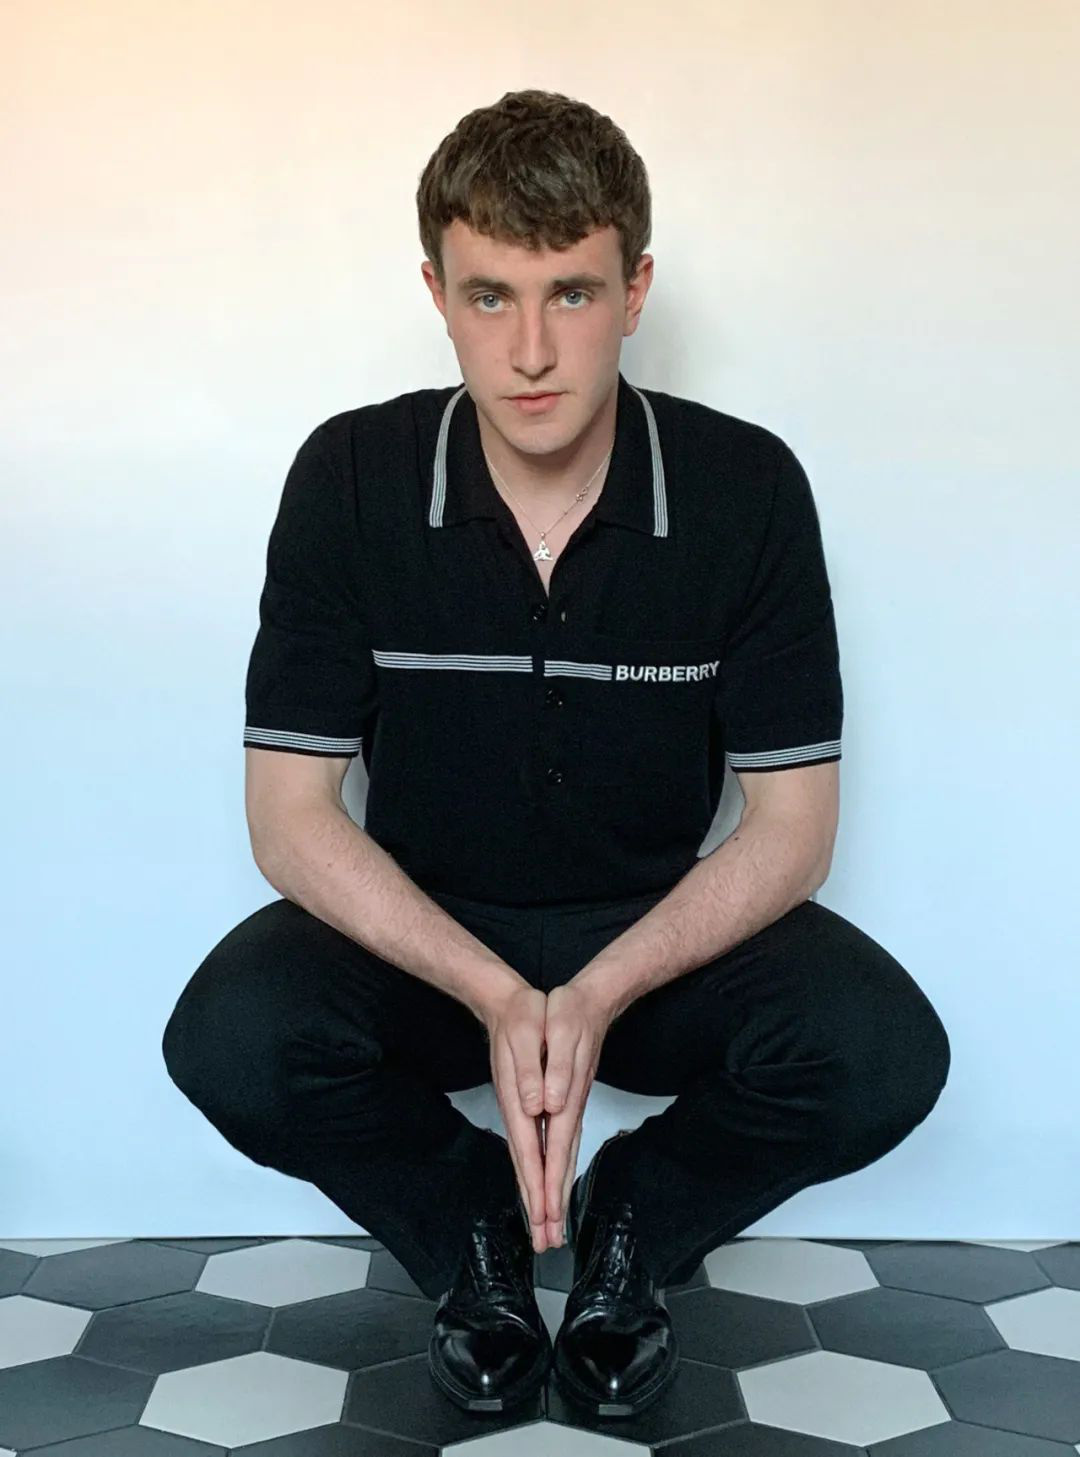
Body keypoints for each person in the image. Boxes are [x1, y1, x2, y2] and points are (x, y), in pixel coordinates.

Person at [161, 88, 951, 1420]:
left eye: (572, 294)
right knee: (231, 1035)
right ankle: (471, 1233)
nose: (531, 350)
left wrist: (591, 996)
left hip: (648, 934)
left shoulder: (747, 488)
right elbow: (290, 815)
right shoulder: (348, 478)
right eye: (490, 296)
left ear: (635, 290)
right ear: (437, 292)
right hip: (427, 928)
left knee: (882, 1051)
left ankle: (631, 1228)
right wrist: (493, 989)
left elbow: (793, 830)